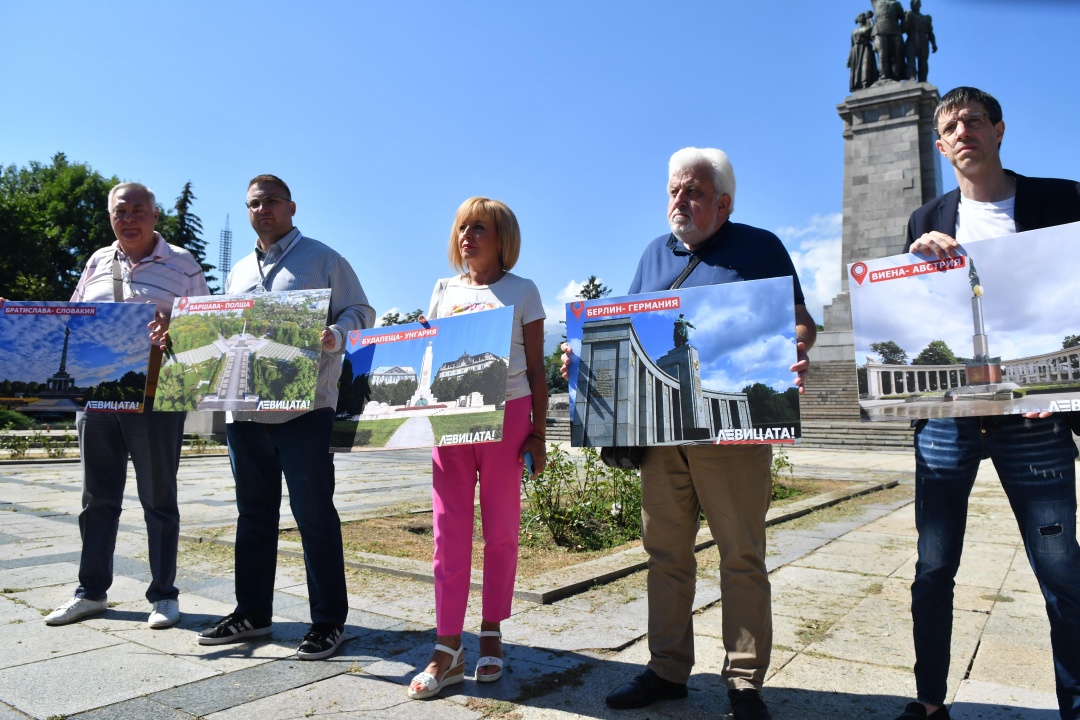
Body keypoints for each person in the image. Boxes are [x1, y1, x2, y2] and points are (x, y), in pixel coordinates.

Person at [564, 148, 815, 720]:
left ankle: (745, 681)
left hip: (733, 440)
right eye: (675, 191)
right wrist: (578, 356)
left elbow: (801, 319)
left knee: (741, 555)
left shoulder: (761, 246)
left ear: (724, 203)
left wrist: (796, 345)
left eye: (694, 193)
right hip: (660, 436)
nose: (681, 201)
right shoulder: (655, 253)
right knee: (664, 551)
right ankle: (666, 668)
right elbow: (623, 326)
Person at [895, 86, 1080, 720]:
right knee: (933, 567)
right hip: (951, 417)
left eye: (974, 119)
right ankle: (928, 701)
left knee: (1061, 573)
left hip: (1035, 414)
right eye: (950, 125)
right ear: (940, 144)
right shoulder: (927, 219)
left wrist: (1066, 386)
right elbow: (922, 318)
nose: (962, 130)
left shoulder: (1062, 199)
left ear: (999, 130)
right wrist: (913, 267)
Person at [197, 175, 375, 661]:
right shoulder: (235, 273)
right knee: (253, 516)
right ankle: (252, 612)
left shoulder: (323, 258)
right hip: (245, 412)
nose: (263, 209)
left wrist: (337, 334)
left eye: (272, 201)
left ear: (291, 206)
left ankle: (328, 623)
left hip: (304, 410)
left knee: (314, 515)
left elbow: (362, 309)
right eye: (255, 203)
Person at [42, 182, 209, 629]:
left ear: (155, 217)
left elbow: (209, 329)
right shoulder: (97, 261)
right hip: (96, 398)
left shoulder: (182, 264)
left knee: (158, 497)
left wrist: (176, 330)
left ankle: (164, 596)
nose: (129, 218)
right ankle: (90, 593)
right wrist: (15, 316)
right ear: (110, 217)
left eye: (139, 210)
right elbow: (72, 320)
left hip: (155, 396)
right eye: (121, 211)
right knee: (96, 499)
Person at [407, 197, 548, 699]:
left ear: (502, 237)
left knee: (502, 529)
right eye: (463, 228)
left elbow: (536, 367)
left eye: (480, 228)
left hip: (509, 414)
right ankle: (447, 648)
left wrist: (539, 430)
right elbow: (428, 357)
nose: (468, 236)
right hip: (453, 418)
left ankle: (491, 631)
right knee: (449, 531)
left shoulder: (523, 290)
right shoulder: (442, 291)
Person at [872, 0, 906, 81]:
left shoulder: (896, 4)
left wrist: (901, 29)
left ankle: (896, 75)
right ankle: (883, 74)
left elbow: (903, 17)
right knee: (882, 54)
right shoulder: (875, 2)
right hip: (880, 30)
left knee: (895, 54)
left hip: (894, 29)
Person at [903, 0, 936, 83]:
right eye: (912, 3)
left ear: (920, 4)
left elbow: (930, 33)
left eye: (916, 2)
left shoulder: (926, 18)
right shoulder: (908, 15)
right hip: (911, 39)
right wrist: (907, 19)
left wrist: (933, 44)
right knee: (910, 60)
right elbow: (903, 30)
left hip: (923, 40)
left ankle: (923, 80)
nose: (914, 4)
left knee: (923, 62)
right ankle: (911, 77)